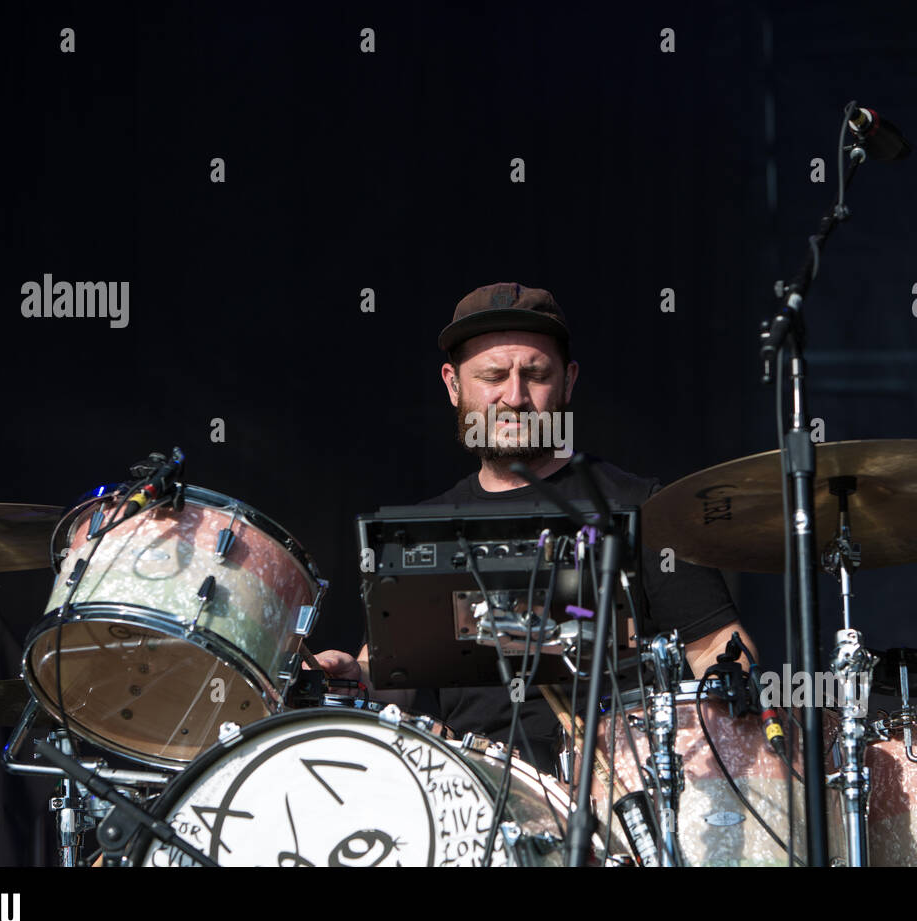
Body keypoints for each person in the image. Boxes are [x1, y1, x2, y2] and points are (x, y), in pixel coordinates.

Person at [312, 281, 756, 774]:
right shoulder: (423, 530)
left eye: (536, 375)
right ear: (453, 385)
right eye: (493, 376)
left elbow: (720, 650)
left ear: (568, 382)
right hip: (472, 788)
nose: (515, 397)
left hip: (618, 784)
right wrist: (356, 676)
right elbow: (392, 677)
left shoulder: (641, 508)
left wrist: (706, 752)